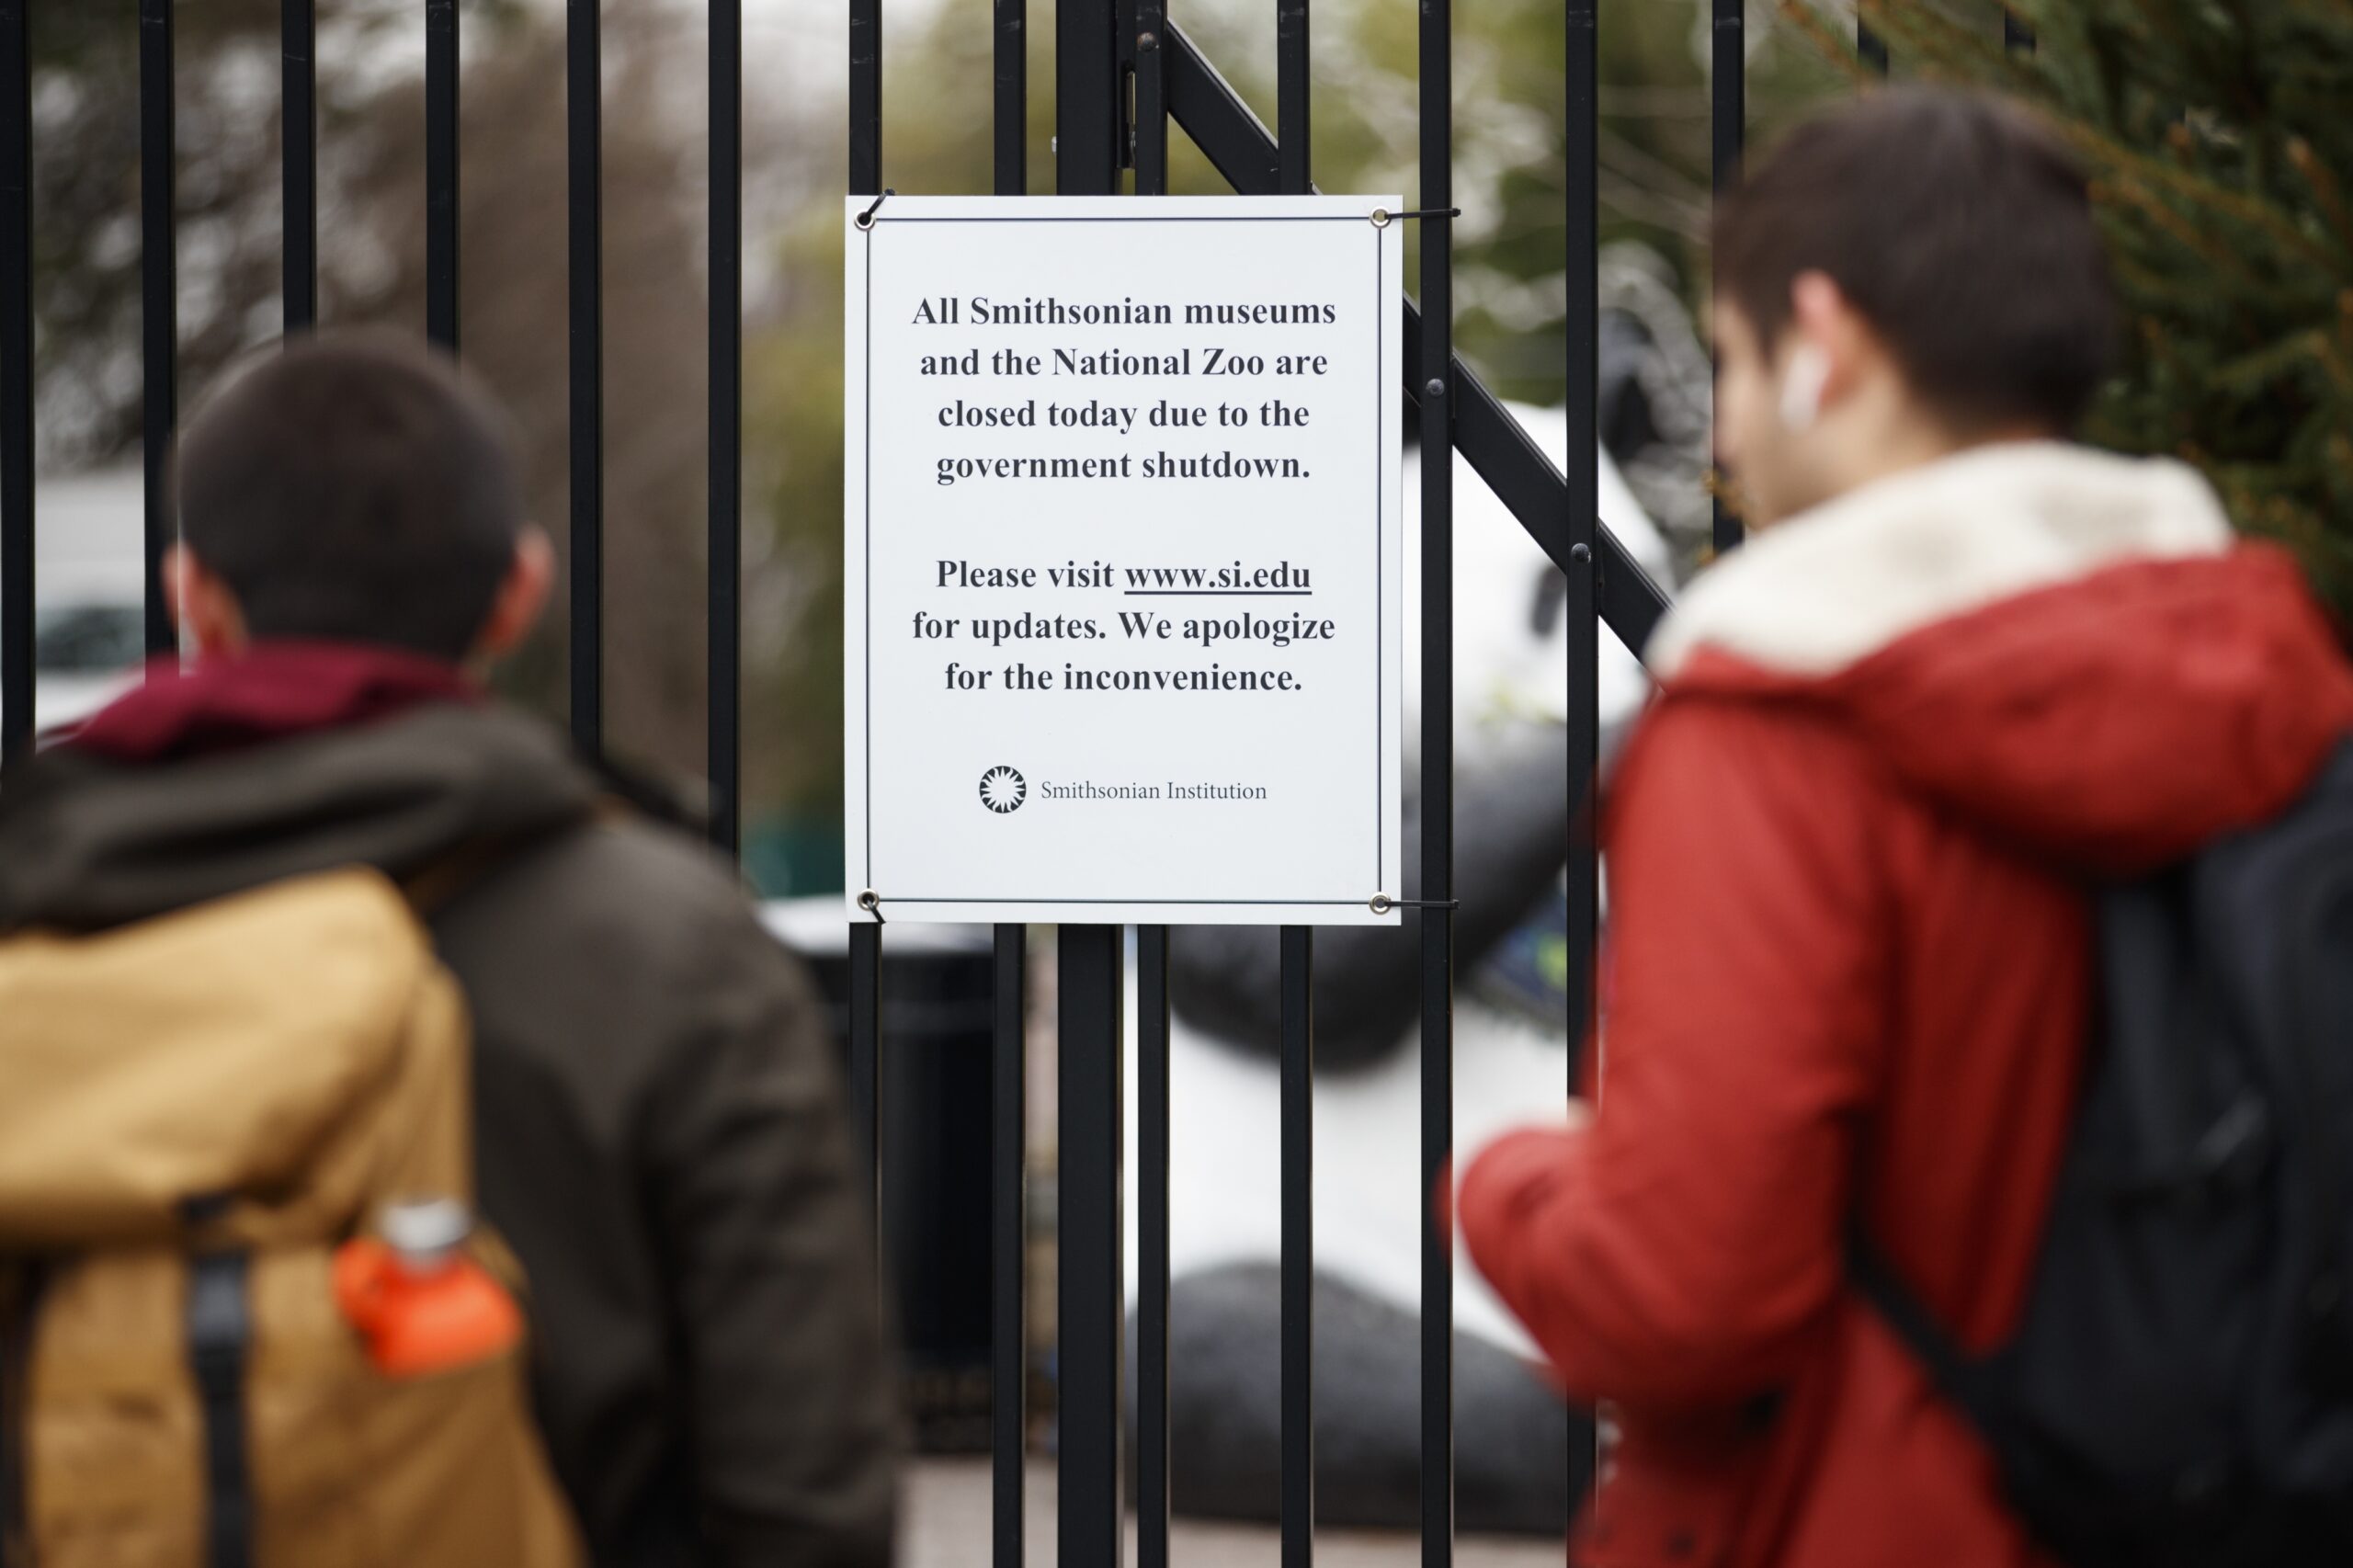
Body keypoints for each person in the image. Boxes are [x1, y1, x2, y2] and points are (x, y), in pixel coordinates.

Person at [1454, 87, 2353, 1568]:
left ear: (1826, 337)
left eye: (1735, 360)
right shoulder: (2264, 673)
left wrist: (1506, 1182)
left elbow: (1685, 1298)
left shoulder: (1783, 727)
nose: (1727, 426)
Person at [0, 329, 898, 1567]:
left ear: (190, 595)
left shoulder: (32, 914)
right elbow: (805, 1487)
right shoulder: (666, 941)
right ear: (516, 592)